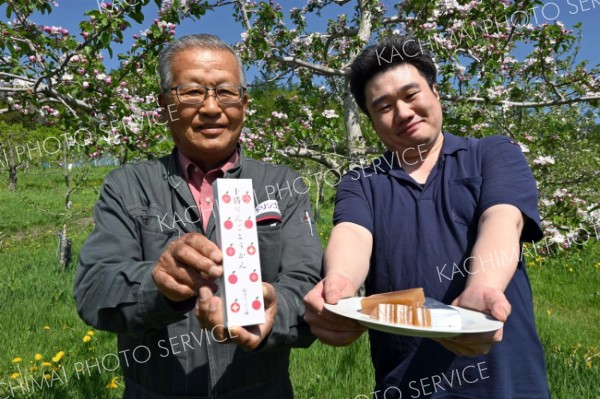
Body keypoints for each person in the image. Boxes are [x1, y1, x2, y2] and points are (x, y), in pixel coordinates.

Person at [74, 34, 323, 399]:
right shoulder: (128, 186)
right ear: (164, 107)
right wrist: (156, 284)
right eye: (191, 92)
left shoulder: (281, 184)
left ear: (244, 103)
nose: (210, 107)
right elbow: (94, 290)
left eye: (225, 92)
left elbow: (308, 282)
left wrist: (277, 310)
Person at [304, 35, 550, 398]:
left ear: (436, 93)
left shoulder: (492, 153)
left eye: (411, 95)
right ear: (372, 121)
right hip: (406, 384)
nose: (402, 112)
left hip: (507, 381)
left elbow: (502, 219)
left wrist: (483, 287)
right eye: (383, 106)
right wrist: (339, 284)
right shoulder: (361, 183)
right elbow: (352, 235)